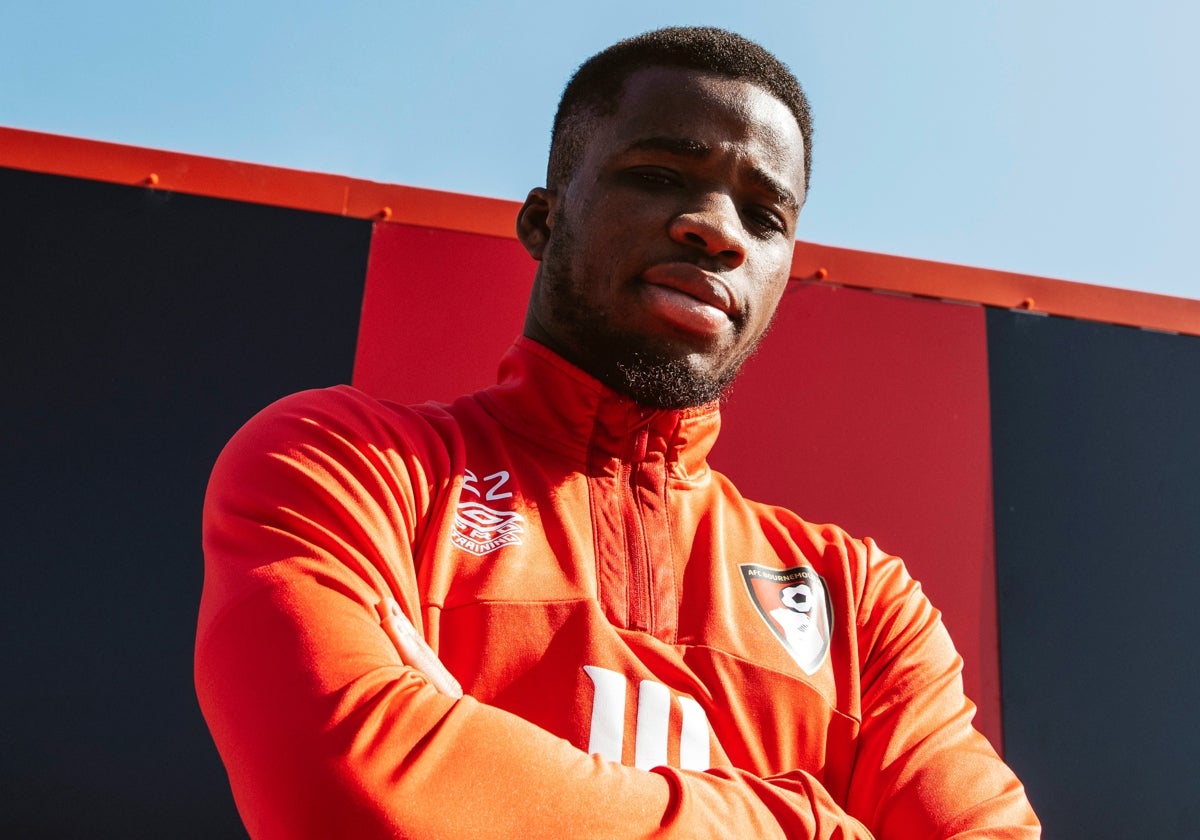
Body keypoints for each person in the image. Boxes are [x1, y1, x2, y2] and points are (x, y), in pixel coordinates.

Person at [195, 26, 1040, 838]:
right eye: (661, 174)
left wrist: (468, 770)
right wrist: (806, 823)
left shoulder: (861, 605)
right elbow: (350, 800)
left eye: (765, 215)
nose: (716, 229)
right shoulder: (345, 462)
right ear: (542, 220)